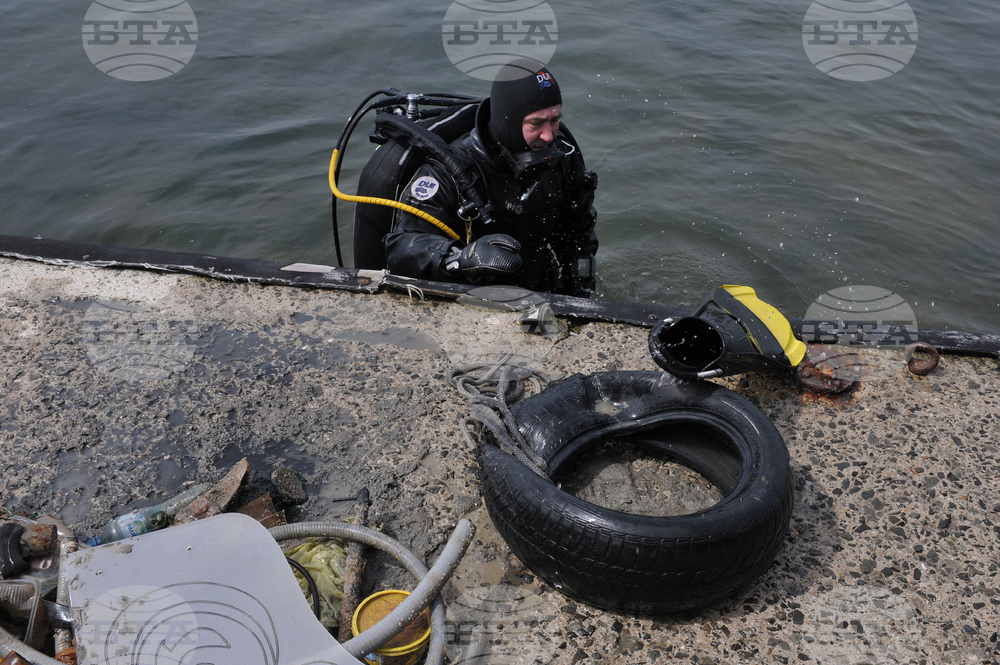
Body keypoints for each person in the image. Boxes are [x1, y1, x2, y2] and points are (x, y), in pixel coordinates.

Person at [383, 59, 598, 297]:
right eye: (536, 123)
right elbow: (401, 248)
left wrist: (580, 291)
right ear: (508, 121)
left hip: (539, 290)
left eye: (555, 120)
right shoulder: (447, 174)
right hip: (471, 302)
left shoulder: (561, 159)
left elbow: (578, 233)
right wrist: (461, 259)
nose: (548, 136)